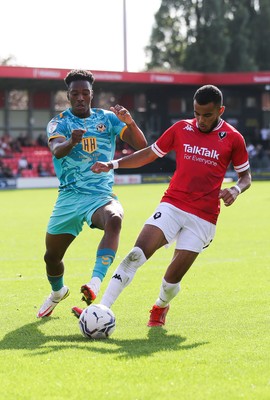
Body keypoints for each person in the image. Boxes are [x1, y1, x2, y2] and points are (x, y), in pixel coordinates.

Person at [72, 84, 251, 327]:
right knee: (135, 255)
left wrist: (236, 189)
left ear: (220, 110)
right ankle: (100, 310)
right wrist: (112, 164)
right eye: (196, 113)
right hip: (172, 204)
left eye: (207, 115)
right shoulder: (181, 128)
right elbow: (148, 154)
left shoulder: (233, 138)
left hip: (204, 217)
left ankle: (160, 305)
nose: (200, 120)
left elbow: (245, 177)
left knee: (171, 281)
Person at [37, 69, 147, 318]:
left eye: (84, 93)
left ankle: (94, 284)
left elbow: (142, 146)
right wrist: (72, 142)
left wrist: (130, 122)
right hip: (69, 197)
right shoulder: (59, 122)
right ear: (68, 95)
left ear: (91, 94)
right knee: (52, 257)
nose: (80, 97)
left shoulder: (107, 119)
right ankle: (57, 292)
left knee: (115, 218)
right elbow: (57, 151)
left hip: (100, 195)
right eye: (75, 93)